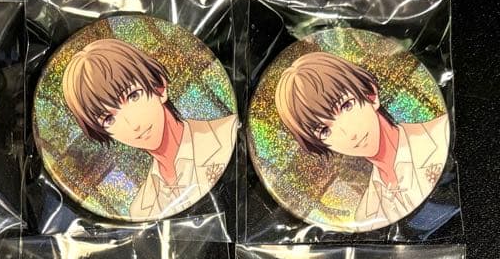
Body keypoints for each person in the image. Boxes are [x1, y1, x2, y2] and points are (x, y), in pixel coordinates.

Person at [62, 38, 237, 219]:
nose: (133, 125)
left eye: (133, 96)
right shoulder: (141, 210)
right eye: (108, 119)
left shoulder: (228, 133)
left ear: (159, 87)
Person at [275, 51, 449, 229]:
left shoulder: (440, 133)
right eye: (324, 131)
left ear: (371, 94)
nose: (349, 134)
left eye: (346, 105)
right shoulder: (366, 215)